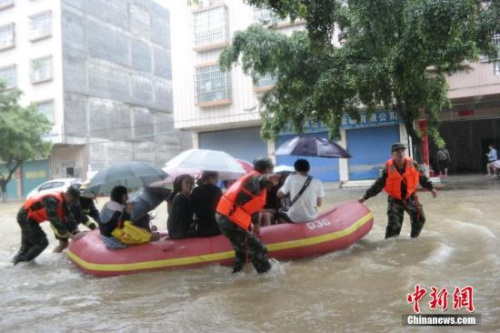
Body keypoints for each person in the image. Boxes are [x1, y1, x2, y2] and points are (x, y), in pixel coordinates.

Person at [358, 143, 438, 239]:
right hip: (395, 200)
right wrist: (364, 197)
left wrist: (431, 188)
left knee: (420, 218)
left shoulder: (413, 164)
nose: (400, 154)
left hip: (410, 197)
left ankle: (413, 239)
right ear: (392, 154)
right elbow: (378, 185)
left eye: (402, 151)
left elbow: (422, 178)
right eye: (397, 151)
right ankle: (390, 246)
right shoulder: (388, 169)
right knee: (394, 226)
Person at [216, 157, 279, 274]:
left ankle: (237, 274)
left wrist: (255, 224)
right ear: (266, 169)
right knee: (259, 248)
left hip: (227, 218)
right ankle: (266, 278)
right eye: (271, 169)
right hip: (230, 219)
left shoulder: (252, 180)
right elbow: (259, 180)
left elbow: (250, 205)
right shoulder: (255, 178)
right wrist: (268, 178)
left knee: (241, 251)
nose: (273, 171)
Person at [12, 186, 84, 265]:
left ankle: (18, 263)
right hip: (25, 218)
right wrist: (71, 236)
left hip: (31, 220)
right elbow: (54, 220)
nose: (73, 203)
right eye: (73, 200)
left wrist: (76, 230)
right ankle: (23, 265)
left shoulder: (63, 201)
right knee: (42, 243)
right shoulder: (52, 200)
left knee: (26, 248)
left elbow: (69, 215)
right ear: (69, 195)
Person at [53, 183, 100, 253]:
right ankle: (55, 257)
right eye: (93, 194)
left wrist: (100, 226)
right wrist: (93, 228)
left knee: (65, 244)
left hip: (71, 223)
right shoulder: (74, 202)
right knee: (63, 244)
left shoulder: (88, 202)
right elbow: (81, 217)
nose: (95, 196)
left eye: (95, 194)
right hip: (61, 224)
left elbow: (95, 214)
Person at [190, 171, 222, 237]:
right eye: (215, 178)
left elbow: (192, 207)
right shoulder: (217, 190)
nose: (217, 181)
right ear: (209, 178)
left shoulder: (196, 190)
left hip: (201, 227)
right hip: (215, 226)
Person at [99, 185, 132, 249]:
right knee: (137, 236)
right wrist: (128, 211)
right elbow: (121, 225)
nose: (128, 197)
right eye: (126, 195)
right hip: (111, 240)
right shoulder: (116, 208)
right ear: (122, 196)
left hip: (105, 235)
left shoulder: (109, 204)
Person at [167, 174, 196, 239]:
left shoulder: (178, 196)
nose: (189, 186)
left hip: (175, 231)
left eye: (191, 183)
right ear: (180, 184)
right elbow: (187, 218)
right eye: (187, 183)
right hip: (179, 233)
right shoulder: (181, 198)